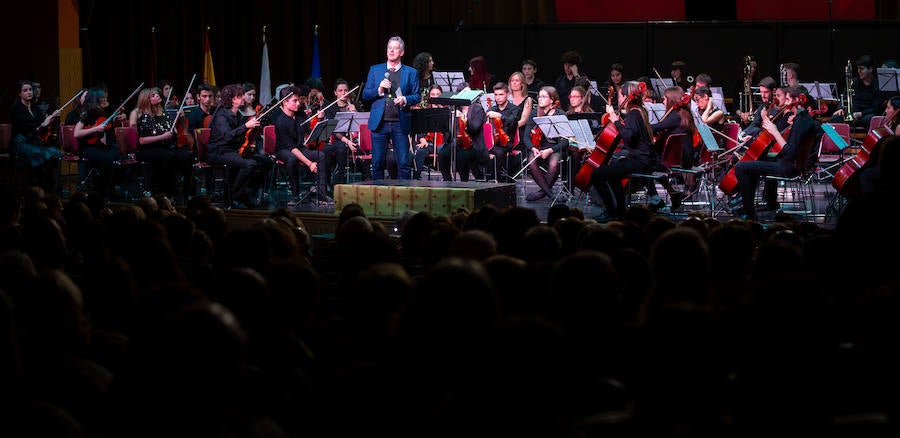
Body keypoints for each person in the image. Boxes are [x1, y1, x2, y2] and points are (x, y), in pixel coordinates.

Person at [732, 85, 822, 220]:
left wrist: (774, 131)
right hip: (787, 163)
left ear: (798, 100)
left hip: (789, 167)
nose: (784, 103)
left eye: (787, 99)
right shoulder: (801, 119)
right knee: (754, 163)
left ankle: (748, 212)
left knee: (741, 167)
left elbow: (790, 153)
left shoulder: (802, 121)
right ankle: (749, 205)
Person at [589, 81, 656, 221]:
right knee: (613, 174)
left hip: (640, 161)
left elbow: (629, 137)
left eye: (619, 96)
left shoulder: (633, 114)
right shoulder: (639, 111)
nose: (618, 99)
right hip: (644, 160)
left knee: (596, 174)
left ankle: (611, 210)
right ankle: (619, 211)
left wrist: (615, 120)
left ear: (626, 96)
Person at [361, 36, 420, 180]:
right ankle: (378, 198)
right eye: (389, 48)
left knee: (404, 164)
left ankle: (403, 199)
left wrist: (405, 99)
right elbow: (365, 95)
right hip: (380, 123)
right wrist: (379, 89)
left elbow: (417, 96)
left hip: (400, 123)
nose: (391, 51)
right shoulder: (375, 70)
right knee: (377, 163)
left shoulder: (411, 72)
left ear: (402, 52)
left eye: (395, 48)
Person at [207, 83, 274, 208]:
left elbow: (244, 134)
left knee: (266, 162)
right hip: (219, 152)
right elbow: (227, 136)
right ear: (233, 99)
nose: (243, 98)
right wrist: (246, 126)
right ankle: (236, 195)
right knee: (250, 164)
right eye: (240, 96)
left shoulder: (238, 114)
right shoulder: (221, 115)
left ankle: (247, 191)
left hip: (232, 150)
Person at [133, 87, 193, 202]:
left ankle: (185, 193)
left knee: (186, 156)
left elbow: (171, 131)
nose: (157, 96)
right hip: (147, 149)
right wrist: (163, 136)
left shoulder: (165, 114)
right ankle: (166, 193)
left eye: (157, 94)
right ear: (147, 100)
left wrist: (175, 130)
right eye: (153, 95)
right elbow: (142, 140)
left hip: (164, 146)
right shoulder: (145, 116)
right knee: (168, 157)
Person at [274, 86, 329, 206]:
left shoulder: (299, 115)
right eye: (295, 101)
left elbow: (310, 133)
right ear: (285, 102)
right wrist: (309, 163)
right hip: (284, 150)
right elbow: (291, 149)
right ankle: (295, 194)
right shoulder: (281, 121)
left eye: (298, 100)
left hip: (299, 147)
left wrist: (320, 120)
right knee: (292, 158)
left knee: (321, 155)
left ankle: (321, 195)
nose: (298, 103)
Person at [9, 80, 62, 193]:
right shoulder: (16, 109)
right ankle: (39, 186)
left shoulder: (34, 107)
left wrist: (51, 117)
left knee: (55, 154)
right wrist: (43, 124)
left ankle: (46, 187)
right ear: (20, 93)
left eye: (30, 90)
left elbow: (42, 123)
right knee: (46, 154)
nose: (29, 92)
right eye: (25, 90)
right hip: (21, 142)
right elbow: (28, 128)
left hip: (33, 141)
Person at [73, 87, 125, 198]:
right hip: (88, 147)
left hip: (102, 146)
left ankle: (109, 188)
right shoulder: (86, 113)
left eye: (106, 97)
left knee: (120, 155)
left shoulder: (106, 112)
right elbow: (76, 133)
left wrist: (116, 121)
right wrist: (95, 129)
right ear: (96, 99)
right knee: (109, 158)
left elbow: (109, 129)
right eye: (103, 98)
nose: (105, 100)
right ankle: (101, 189)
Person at [524, 86, 569, 202]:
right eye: (539, 96)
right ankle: (550, 194)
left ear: (552, 100)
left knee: (554, 163)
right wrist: (533, 148)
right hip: (539, 147)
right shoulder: (534, 113)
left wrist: (550, 150)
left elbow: (566, 141)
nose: (540, 99)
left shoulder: (561, 114)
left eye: (544, 97)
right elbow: (525, 137)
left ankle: (541, 193)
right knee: (531, 161)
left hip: (555, 148)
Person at [440, 97, 487, 182]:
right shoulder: (455, 108)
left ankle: (464, 182)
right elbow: (449, 132)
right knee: (442, 153)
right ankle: (447, 180)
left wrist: (463, 118)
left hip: (474, 144)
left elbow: (474, 128)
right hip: (457, 142)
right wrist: (452, 120)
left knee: (462, 156)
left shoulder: (477, 108)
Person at [324, 79, 360, 188]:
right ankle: (338, 181)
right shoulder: (331, 107)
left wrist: (355, 112)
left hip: (354, 138)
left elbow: (362, 125)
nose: (344, 93)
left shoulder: (354, 104)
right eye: (340, 90)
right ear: (335, 92)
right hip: (338, 140)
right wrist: (347, 141)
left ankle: (366, 181)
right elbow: (334, 130)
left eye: (346, 90)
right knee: (340, 148)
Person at [831, 55, 884, 129]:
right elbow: (844, 97)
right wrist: (840, 108)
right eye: (858, 68)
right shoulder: (854, 82)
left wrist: (861, 114)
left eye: (862, 69)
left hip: (866, 114)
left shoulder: (878, 85)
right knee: (835, 118)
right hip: (852, 113)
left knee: (871, 119)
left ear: (870, 69)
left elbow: (876, 107)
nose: (859, 71)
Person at [486, 82, 521, 183]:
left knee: (498, 151)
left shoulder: (514, 109)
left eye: (501, 94)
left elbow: (512, 122)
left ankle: (496, 179)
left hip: (507, 141)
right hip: (493, 140)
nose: (498, 97)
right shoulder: (493, 108)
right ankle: (484, 178)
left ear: (507, 94)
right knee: (477, 150)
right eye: (496, 95)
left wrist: (500, 116)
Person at [413, 85, 448, 180]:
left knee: (444, 151)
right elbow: (420, 129)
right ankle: (416, 177)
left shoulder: (446, 111)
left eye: (438, 94)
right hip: (429, 143)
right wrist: (422, 139)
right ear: (429, 96)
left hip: (442, 143)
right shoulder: (425, 111)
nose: (435, 97)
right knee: (420, 151)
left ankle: (446, 177)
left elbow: (448, 131)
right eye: (433, 94)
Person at [738, 76, 778, 141]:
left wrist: (765, 117)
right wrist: (743, 134)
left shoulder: (777, 107)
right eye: (761, 92)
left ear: (773, 91)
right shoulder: (763, 106)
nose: (763, 95)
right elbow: (754, 124)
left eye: (766, 92)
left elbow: (771, 130)